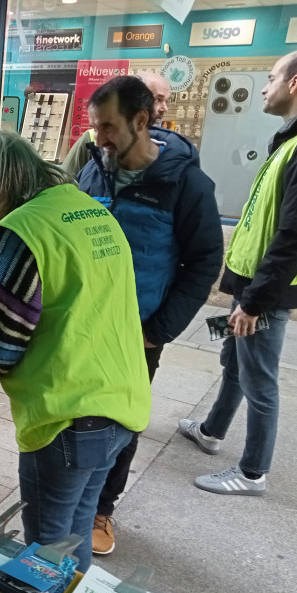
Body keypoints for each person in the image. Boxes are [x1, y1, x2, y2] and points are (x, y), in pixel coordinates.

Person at [0, 131, 151, 571]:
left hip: (68, 418)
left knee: (46, 551)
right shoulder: (87, 210)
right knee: (74, 534)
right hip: (123, 403)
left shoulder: (19, 234)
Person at [178, 49, 297, 496]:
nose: (264, 86)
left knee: (259, 377)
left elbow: (296, 232)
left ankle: (252, 473)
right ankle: (211, 430)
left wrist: (256, 302)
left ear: (295, 83)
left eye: (272, 77)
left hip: (269, 290)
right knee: (235, 362)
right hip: (255, 281)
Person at [76, 75, 223, 555]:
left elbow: (203, 262)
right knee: (74, 411)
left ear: (142, 120)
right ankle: (73, 494)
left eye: (108, 127)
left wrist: (156, 332)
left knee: (120, 421)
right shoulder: (94, 169)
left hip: (138, 333)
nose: (99, 139)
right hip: (82, 325)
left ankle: (102, 508)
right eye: (95, 127)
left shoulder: (187, 183)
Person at [62, 72, 171, 177]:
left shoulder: (174, 156)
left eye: (167, 101)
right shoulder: (90, 144)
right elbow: (64, 185)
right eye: (157, 100)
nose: (165, 109)